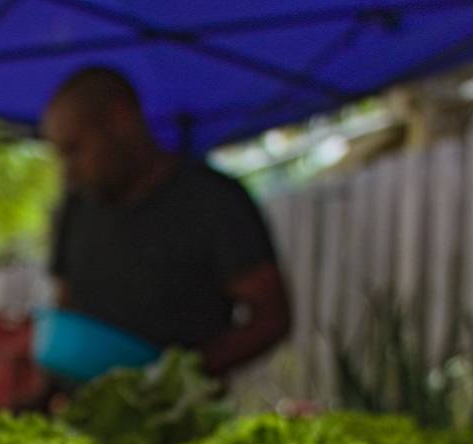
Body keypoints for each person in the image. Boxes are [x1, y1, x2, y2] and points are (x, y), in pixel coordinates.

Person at [42, 66, 291, 376]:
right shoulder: (76, 208)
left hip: (180, 414)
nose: (69, 172)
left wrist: (177, 375)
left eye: (75, 150)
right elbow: (65, 306)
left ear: (120, 120)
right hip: (84, 406)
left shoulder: (211, 199)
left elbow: (271, 316)